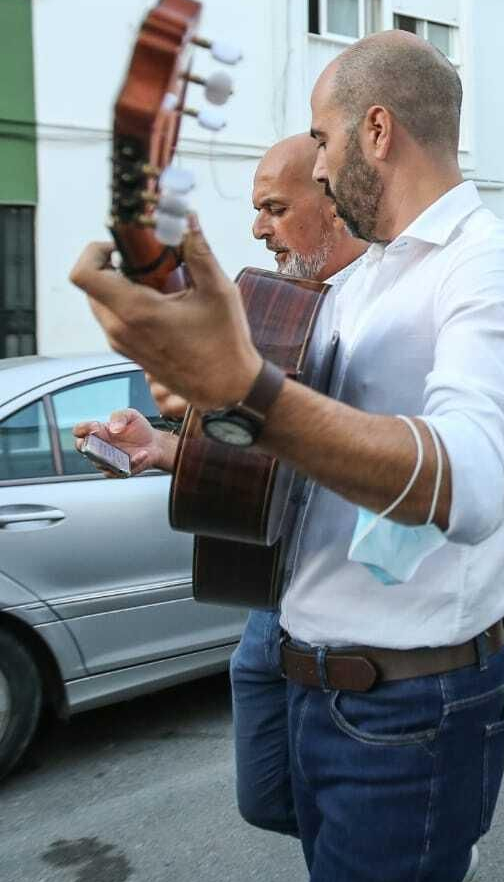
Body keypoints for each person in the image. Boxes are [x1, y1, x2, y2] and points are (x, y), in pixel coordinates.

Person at [73, 31, 504, 882]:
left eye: (323, 140)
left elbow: (471, 477)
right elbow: (305, 453)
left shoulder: (489, 264)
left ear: (376, 130)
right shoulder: (362, 279)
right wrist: (178, 440)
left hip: (407, 710)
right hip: (320, 688)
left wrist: (248, 392)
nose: (319, 167)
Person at [75, 135, 367, 841]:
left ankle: (407, 853)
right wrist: (165, 448)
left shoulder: (383, 305)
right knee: (267, 797)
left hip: (354, 610)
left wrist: (235, 397)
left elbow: (385, 461)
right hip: (273, 595)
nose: (259, 228)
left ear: (334, 203)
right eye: (256, 210)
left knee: (341, 831)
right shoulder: (281, 304)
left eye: (275, 208)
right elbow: (268, 459)